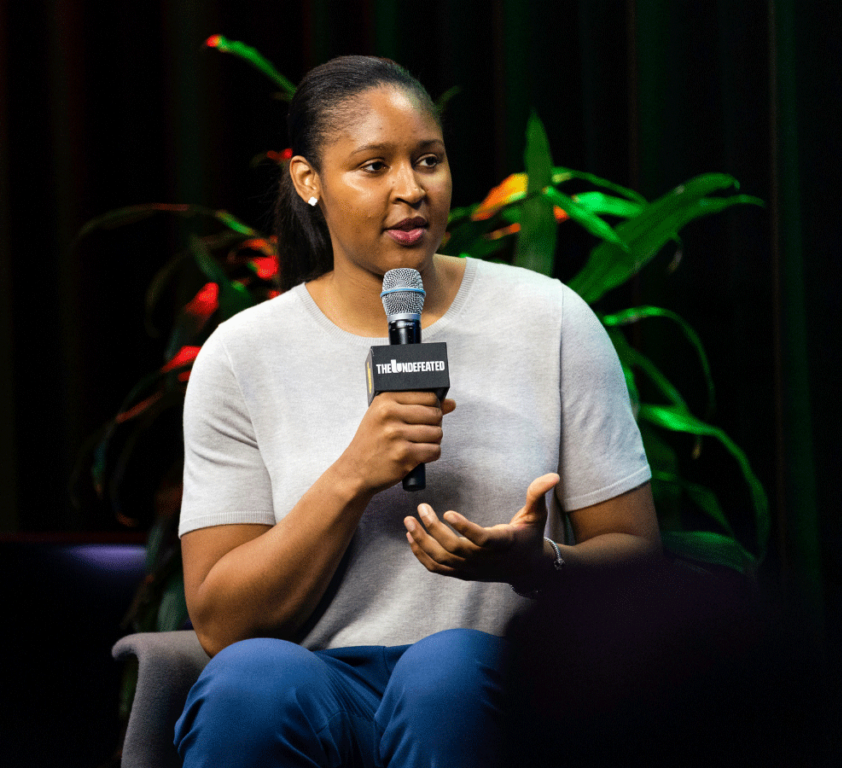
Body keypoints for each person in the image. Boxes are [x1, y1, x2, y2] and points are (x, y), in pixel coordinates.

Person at [172, 55, 660, 768]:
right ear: (309, 181)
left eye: (427, 160)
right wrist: (353, 476)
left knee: (449, 673)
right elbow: (219, 622)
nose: (411, 190)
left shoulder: (546, 318)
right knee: (251, 681)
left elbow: (638, 560)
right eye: (373, 167)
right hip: (317, 690)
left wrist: (542, 561)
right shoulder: (243, 355)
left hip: (493, 679)